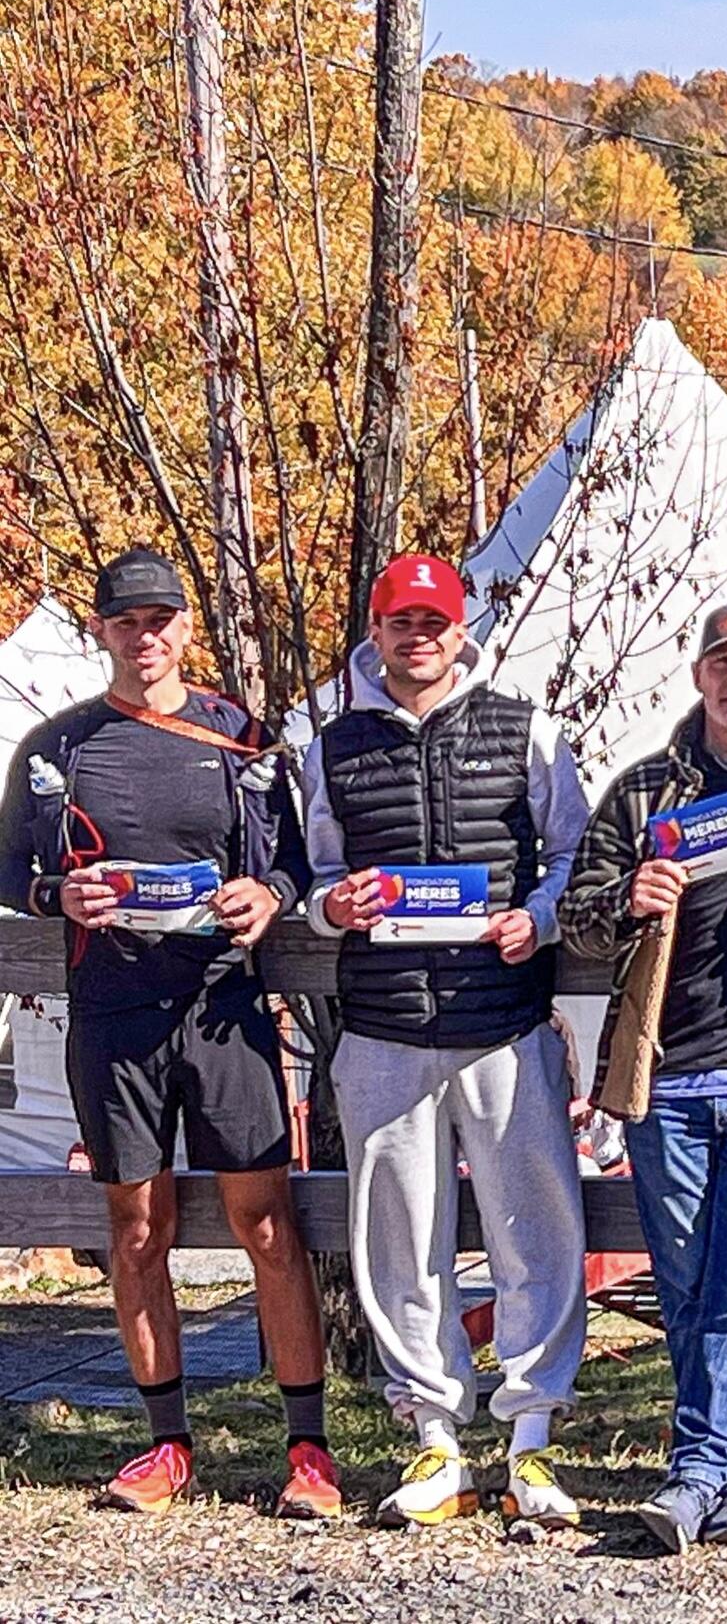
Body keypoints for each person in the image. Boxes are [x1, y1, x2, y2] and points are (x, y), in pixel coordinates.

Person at [0, 548, 335, 1520]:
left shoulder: (239, 737)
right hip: (112, 1015)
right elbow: (8, 869)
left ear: (185, 628)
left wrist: (267, 896)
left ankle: (308, 1451)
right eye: (125, 622)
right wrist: (55, 894)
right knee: (136, 1232)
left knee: (266, 1226)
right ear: (101, 631)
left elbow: (296, 863)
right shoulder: (59, 746)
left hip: (224, 1009)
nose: (143, 637)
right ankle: (166, 1447)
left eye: (159, 620)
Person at [301, 554, 590, 1530]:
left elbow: (573, 852)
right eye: (401, 622)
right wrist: (332, 908)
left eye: (433, 622)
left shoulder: (525, 728)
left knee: (534, 1233)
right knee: (398, 1245)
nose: (418, 638)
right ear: (375, 633)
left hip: (502, 1023)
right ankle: (435, 1443)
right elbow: (317, 877)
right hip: (383, 1028)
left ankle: (532, 1441)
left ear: (460, 631)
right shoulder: (333, 747)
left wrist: (538, 921)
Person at [559, 602, 727, 1553]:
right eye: (724, 662)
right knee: (686, 1287)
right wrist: (626, 896)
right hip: (666, 1076)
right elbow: (576, 918)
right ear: (699, 675)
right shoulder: (645, 790)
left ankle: (696, 1472)